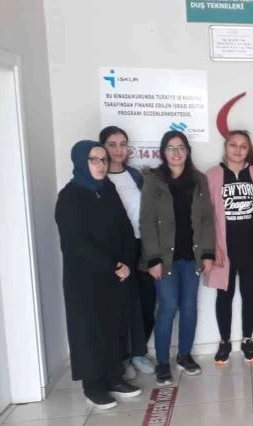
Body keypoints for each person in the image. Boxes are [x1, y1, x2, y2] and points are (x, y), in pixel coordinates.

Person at [55, 140, 141, 409]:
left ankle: (114, 377)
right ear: (81, 162)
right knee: (89, 330)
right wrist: (113, 265)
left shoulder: (108, 190)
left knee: (114, 327)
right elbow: (75, 242)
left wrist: (127, 261)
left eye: (104, 160)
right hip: (86, 279)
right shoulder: (70, 196)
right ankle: (93, 386)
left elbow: (125, 228)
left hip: (115, 275)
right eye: (94, 159)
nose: (101, 165)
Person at [140, 131, 215, 386]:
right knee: (168, 306)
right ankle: (162, 362)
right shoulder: (154, 180)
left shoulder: (199, 179)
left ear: (187, 151)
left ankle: (184, 355)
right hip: (165, 258)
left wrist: (207, 253)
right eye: (171, 148)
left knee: (189, 306)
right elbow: (147, 221)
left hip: (192, 256)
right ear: (164, 152)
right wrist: (153, 258)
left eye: (181, 147)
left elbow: (207, 219)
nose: (176, 152)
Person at [205, 130, 253, 365]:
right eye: (233, 144)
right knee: (225, 294)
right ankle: (224, 341)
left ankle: (247, 340)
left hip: (250, 245)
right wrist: (213, 247)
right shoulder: (212, 175)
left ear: (248, 150)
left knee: (249, 293)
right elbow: (206, 215)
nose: (238, 150)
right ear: (225, 147)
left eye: (243, 146)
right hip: (224, 247)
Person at [99, 126, 157, 378]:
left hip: (141, 246)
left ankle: (138, 353)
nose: (118, 149)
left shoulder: (136, 176)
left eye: (123, 144)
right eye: (112, 144)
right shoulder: (99, 179)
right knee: (119, 306)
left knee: (146, 302)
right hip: (115, 250)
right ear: (102, 147)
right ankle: (121, 358)